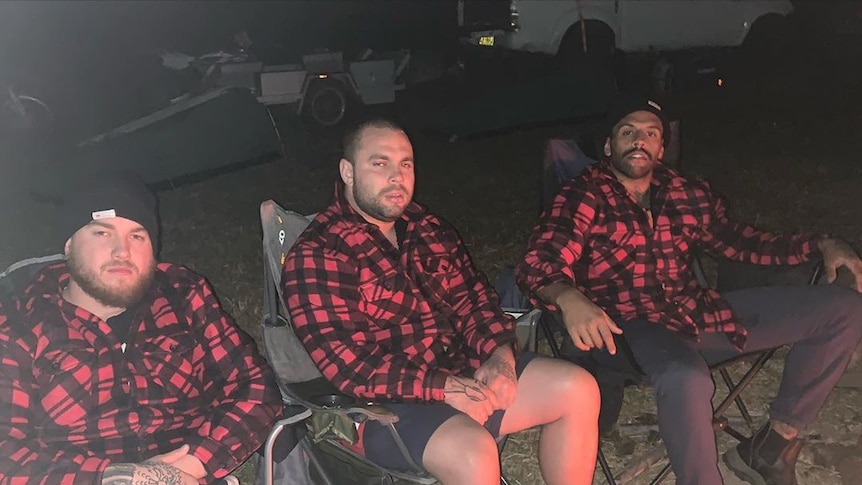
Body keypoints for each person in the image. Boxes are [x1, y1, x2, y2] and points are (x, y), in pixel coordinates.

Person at [515, 94, 862, 485]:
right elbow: (538, 262)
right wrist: (566, 294)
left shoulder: (686, 193)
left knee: (844, 310)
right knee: (687, 376)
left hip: (696, 312)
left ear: (662, 147)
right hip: (625, 328)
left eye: (650, 133)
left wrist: (820, 244)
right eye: (628, 132)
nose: (639, 140)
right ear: (609, 146)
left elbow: (742, 242)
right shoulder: (582, 196)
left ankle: (771, 446)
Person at [281, 119, 600, 485]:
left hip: (461, 374)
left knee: (578, 390)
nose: (397, 177)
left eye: (406, 164)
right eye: (379, 163)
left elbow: (475, 301)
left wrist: (500, 358)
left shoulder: (427, 227)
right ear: (347, 172)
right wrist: (444, 388)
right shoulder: (320, 252)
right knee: (473, 452)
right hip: (380, 407)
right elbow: (350, 364)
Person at [0, 172, 283, 484]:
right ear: (68, 246)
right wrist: (124, 478)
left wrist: (191, 464)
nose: (122, 251)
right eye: (101, 234)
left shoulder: (181, 294)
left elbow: (254, 385)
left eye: (137, 236)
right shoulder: (19, 317)